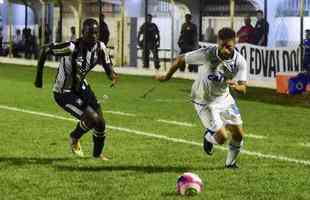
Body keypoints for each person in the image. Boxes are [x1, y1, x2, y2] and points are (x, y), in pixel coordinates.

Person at [155, 27, 247, 168]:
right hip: (204, 100)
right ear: (217, 42)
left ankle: (230, 163)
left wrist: (236, 86)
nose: (225, 50)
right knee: (222, 138)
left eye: (228, 46)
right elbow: (181, 59)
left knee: (239, 134)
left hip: (224, 99)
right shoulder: (207, 54)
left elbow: (243, 88)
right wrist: (166, 77)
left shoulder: (240, 62)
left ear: (235, 43)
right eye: (222, 45)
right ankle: (208, 137)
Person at [34, 18, 118, 160]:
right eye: (89, 33)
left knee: (101, 123)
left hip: (81, 87)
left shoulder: (100, 47)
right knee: (92, 119)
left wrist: (113, 75)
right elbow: (45, 50)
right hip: (64, 92)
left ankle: (97, 156)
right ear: (83, 33)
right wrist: (39, 78)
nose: (93, 36)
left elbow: (108, 67)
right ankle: (74, 137)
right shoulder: (71, 47)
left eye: (95, 33)